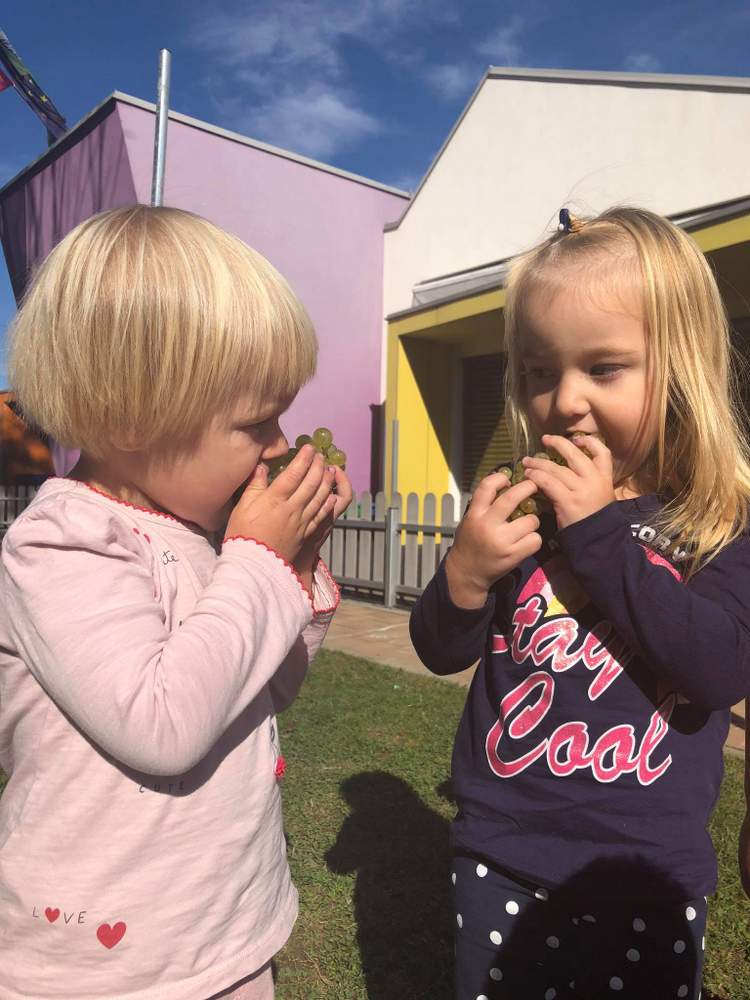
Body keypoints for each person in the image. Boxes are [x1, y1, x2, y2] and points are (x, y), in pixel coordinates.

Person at [0, 205, 352, 999]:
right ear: (130, 418)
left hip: (221, 935)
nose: (278, 445)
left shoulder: (203, 536)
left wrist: (294, 568)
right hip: (101, 968)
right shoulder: (65, 542)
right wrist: (261, 562)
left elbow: (262, 688)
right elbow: (163, 727)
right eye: (254, 423)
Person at [410, 206, 750, 1000]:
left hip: (641, 866)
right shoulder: (529, 514)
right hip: (500, 846)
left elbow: (717, 669)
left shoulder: (716, 524)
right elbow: (440, 649)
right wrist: (465, 575)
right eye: (539, 372)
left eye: (602, 368)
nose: (563, 400)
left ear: (682, 370)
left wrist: (600, 535)